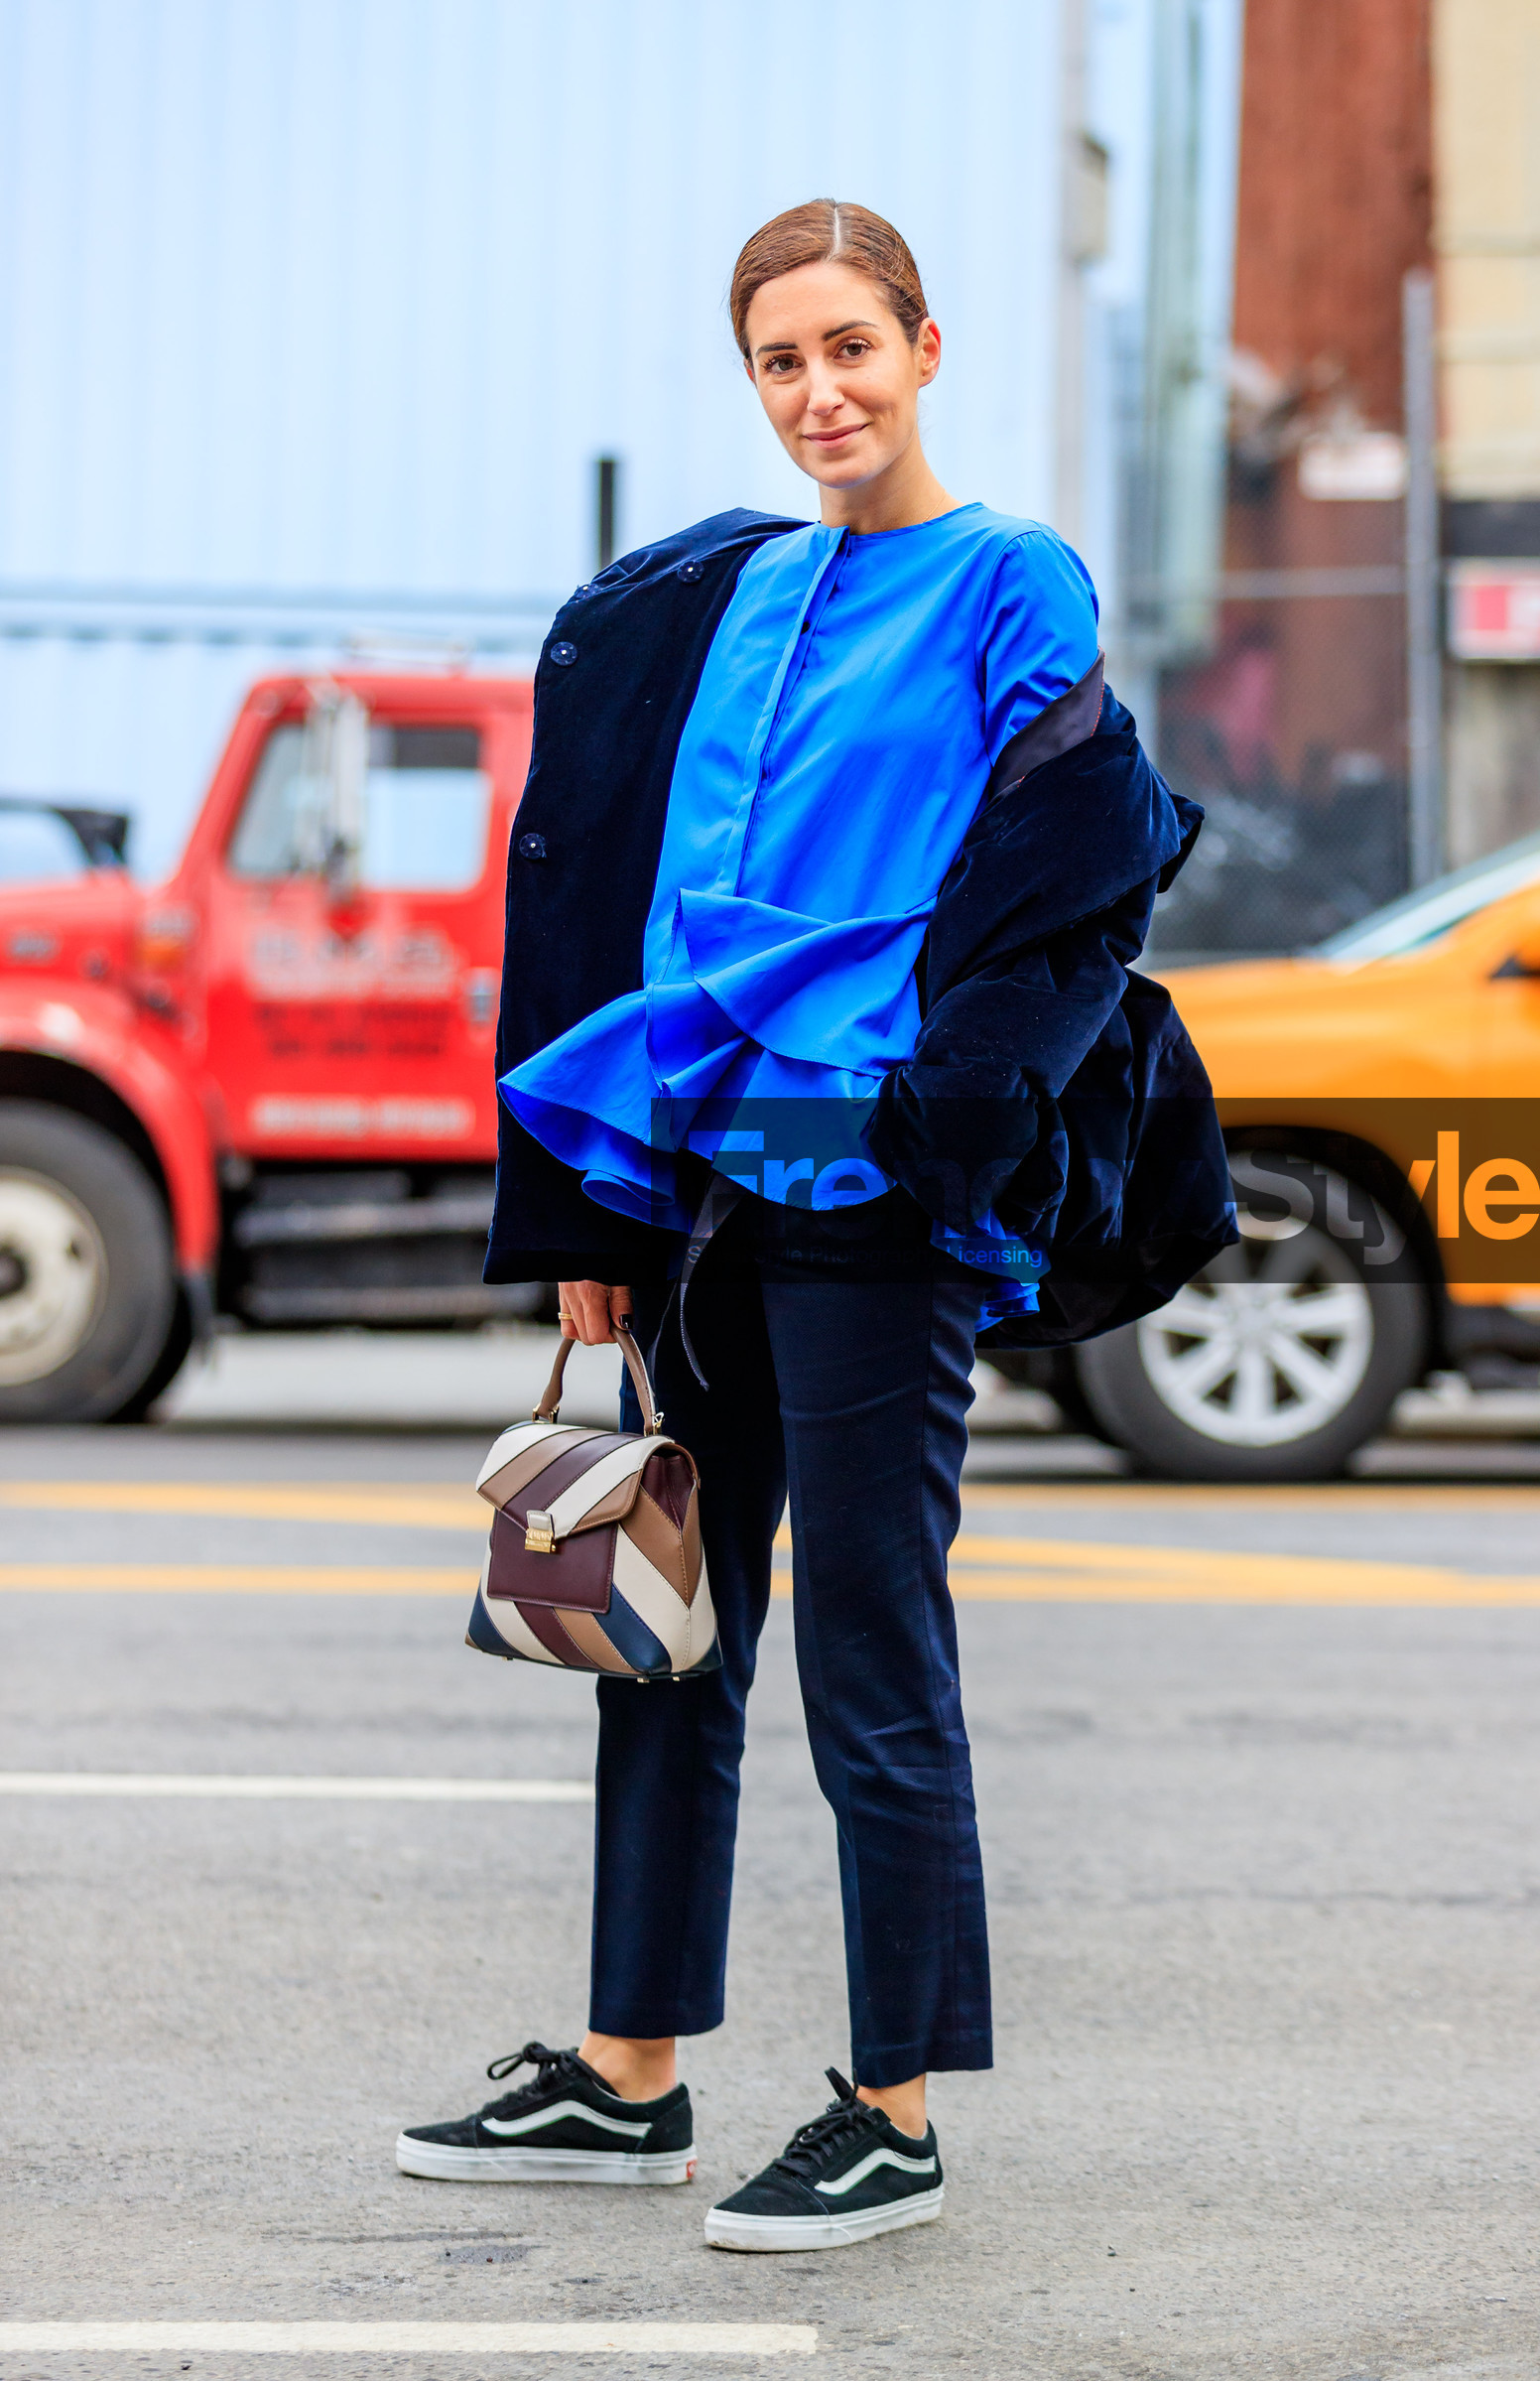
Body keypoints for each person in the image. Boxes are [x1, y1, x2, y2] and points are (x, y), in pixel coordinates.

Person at [397, 199, 1227, 2253]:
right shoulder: (729, 598)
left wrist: (948, 1127)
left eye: (851, 345)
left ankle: (891, 2110)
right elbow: (625, 900)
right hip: (702, 1201)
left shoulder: (1005, 580)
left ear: (925, 348)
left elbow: (1067, 865)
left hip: (876, 1200)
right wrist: (595, 1201)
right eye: (779, 360)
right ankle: (627, 2079)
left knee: (873, 1648)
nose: (818, 392)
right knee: (658, 1631)